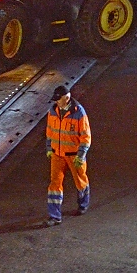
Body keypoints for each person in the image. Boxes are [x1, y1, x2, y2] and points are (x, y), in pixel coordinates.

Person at [45, 84, 91, 226]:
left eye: (58, 99)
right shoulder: (53, 111)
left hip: (74, 155)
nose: (56, 102)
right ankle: (55, 216)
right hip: (57, 154)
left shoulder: (79, 113)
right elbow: (49, 132)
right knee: (54, 183)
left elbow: (85, 136)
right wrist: (49, 148)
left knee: (80, 181)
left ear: (67, 98)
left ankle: (83, 205)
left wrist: (81, 155)